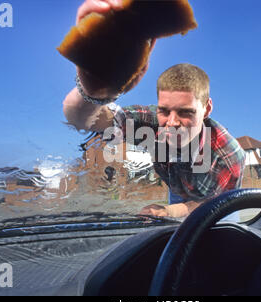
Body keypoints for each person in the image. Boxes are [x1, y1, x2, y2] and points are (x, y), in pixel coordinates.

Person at [63, 0, 245, 218]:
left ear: (206, 109)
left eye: (186, 112)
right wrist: (97, 89)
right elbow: (82, 120)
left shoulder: (228, 155)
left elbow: (207, 203)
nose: (172, 123)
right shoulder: (151, 124)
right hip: (178, 190)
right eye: (165, 110)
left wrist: (169, 210)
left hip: (221, 200)